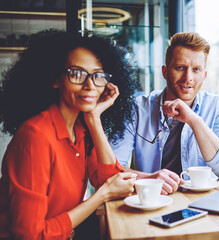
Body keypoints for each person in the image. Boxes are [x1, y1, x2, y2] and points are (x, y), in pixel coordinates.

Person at [0, 29, 138, 239]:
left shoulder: (80, 128)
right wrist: (102, 196)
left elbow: (111, 180)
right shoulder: (35, 136)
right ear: (56, 79)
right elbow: (29, 235)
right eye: (77, 74)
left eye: (97, 75)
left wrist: (94, 119)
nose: (90, 85)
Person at [111, 32, 219, 195]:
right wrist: (148, 178)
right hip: (150, 202)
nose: (188, 78)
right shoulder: (137, 108)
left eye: (196, 69)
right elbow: (113, 168)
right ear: (165, 72)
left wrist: (194, 120)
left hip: (201, 204)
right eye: (180, 68)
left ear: (204, 75)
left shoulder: (215, 106)